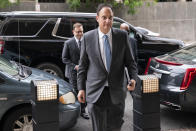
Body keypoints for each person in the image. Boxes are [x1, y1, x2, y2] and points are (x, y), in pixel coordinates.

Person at [77, 3, 137, 131]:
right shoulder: (87, 38)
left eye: (110, 17)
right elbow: (82, 66)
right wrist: (81, 88)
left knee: (115, 128)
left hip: (116, 93)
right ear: (97, 18)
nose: (107, 21)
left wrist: (133, 78)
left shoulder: (122, 36)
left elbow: (131, 62)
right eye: (104, 17)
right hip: (95, 93)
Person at [62, 22, 89, 119]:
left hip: (85, 72)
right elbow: (64, 59)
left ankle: (83, 110)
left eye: (81, 32)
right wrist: (74, 66)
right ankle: (76, 110)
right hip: (73, 73)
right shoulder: (68, 43)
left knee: (84, 91)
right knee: (75, 91)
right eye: (78, 32)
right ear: (73, 32)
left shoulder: (86, 41)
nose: (80, 34)